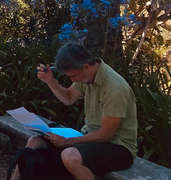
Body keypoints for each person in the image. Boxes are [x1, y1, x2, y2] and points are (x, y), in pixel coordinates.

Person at [10, 43, 137, 180]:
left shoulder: (114, 88)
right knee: (34, 141)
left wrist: (68, 141)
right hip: (90, 138)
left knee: (70, 156)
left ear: (86, 66)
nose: (72, 80)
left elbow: (106, 135)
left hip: (118, 146)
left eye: (73, 76)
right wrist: (50, 81)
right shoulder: (86, 75)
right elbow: (69, 98)